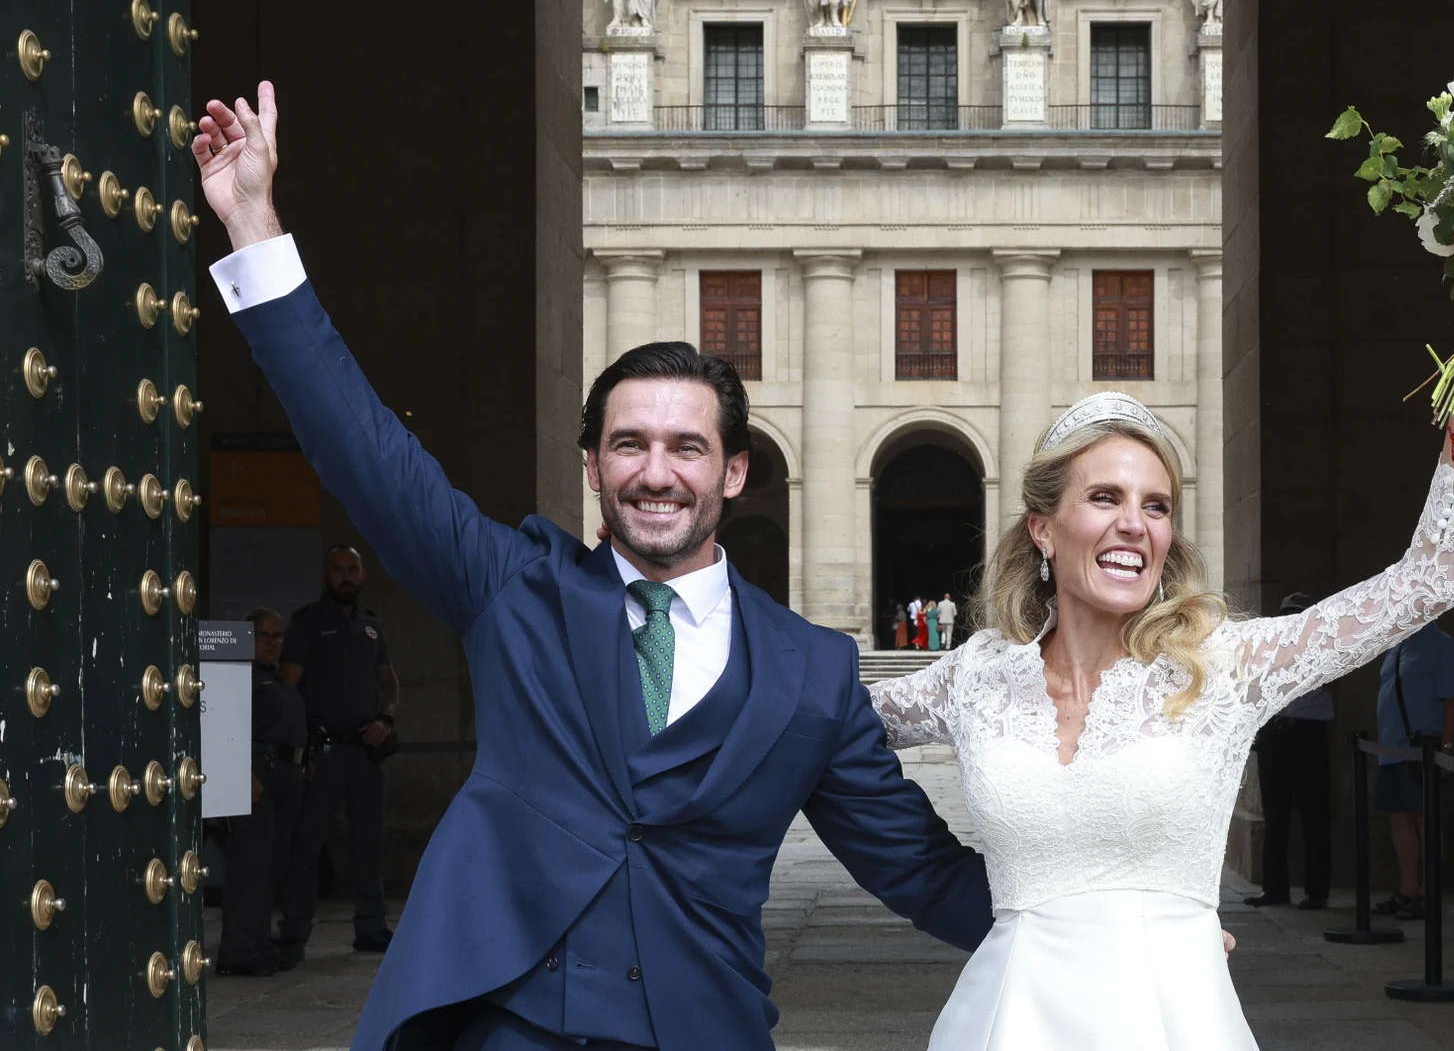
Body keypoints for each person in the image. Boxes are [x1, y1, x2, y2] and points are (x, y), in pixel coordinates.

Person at [191, 82, 989, 1051]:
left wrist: (1114, 931)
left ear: (734, 469)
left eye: (686, 448)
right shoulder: (512, 588)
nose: (657, 473)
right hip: (496, 1022)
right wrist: (252, 222)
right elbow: (363, 447)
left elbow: (921, 869)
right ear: (592, 465)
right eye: (629, 444)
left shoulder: (811, 672)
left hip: (699, 1027)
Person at [865, 217, 1454, 1047]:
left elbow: (1430, 580)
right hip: (1008, 1019)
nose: (1135, 525)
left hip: (1172, 1017)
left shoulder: (1225, 664)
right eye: (1105, 498)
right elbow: (814, 722)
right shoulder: (974, 673)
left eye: (1156, 505)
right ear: (1042, 527)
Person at [275, 544, 401, 958]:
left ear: (363, 575)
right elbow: (287, 689)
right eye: (337, 569)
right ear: (325, 576)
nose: (345, 576)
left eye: (353, 569)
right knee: (306, 844)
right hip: (321, 752)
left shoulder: (371, 626)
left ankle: (371, 927)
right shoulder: (307, 625)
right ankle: (293, 932)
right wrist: (300, 746)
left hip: (365, 754)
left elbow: (390, 684)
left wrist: (386, 720)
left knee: (369, 844)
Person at [217, 607, 308, 976]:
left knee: (271, 865)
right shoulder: (237, 676)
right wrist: (242, 773)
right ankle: (237, 951)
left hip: (285, 774)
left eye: (277, 636)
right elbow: (224, 725)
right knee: (250, 865)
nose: (271, 643)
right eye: (262, 636)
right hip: (257, 774)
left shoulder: (276, 678)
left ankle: (257, 942)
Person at [1370, 620, 1454, 922]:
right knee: (1399, 818)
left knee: (1426, 820)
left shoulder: (1442, 645)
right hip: (1392, 750)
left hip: (1422, 748)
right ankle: (1408, 888)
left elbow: (1453, 700)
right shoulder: (1397, 646)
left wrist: (1447, 750)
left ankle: (1429, 891)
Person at [1243, 592, 1334, 911]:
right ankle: (1275, 888)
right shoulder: (1270, 651)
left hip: (1309, 731)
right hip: (1277, 733)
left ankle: (1317, 891)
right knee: (1275, 817)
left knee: (1315, 816)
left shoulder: (1326, 647)